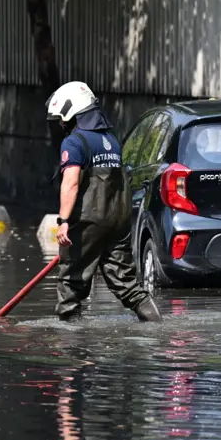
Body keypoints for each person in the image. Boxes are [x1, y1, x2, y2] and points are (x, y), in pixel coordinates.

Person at [45, 81, 162, 322]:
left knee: (71, 284)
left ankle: (72, 348)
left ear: (72, 112)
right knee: (127, 283)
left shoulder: (74, 142)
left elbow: (71, 183)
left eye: (61, 118)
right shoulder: (111, 140)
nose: (60, 123)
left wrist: (64, 221)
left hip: (90, 221)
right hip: (118, 221)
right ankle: (158, 326)